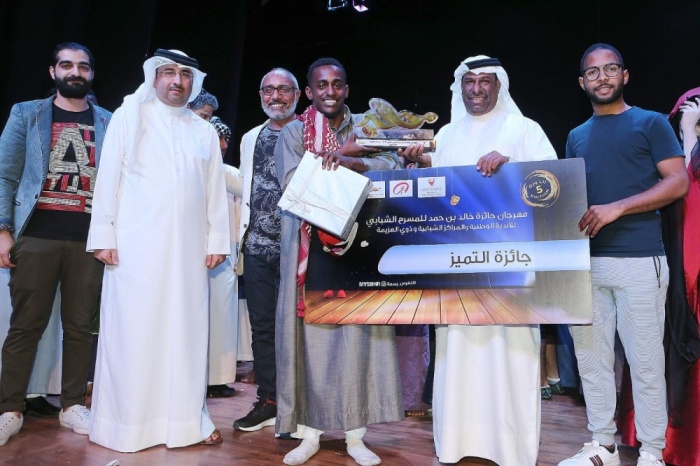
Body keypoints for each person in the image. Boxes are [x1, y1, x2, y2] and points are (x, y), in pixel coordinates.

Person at [402, 54, 558, 466]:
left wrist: (511, 167)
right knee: (458, 352)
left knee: (511, 352)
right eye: (469, 81)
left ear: (498, 85)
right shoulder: (447, 135)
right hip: (457, 267)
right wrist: (418, 164)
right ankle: (457, 443)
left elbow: (554, 183)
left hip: (511, 268)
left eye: (485, 81)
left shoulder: (524, 129)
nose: (476, 89)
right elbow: (438, 193)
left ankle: (511, 448)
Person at [86, 48, 230, 452]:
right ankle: (127, 425)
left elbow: (214, 189)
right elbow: (108, 176)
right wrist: (103, 235)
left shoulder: (203, 130)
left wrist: (218, 239)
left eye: (185, 74)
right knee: (135, 332)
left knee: (185, 335)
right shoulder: (130, 116)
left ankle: (185, 422)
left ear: (193, 83)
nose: (176, 81)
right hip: (135, 249)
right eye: (168, 72)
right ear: (154, 76)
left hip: (189, 253)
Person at [560, 43, 688, 466]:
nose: (602, 78)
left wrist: (617, 208)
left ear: (625, 75)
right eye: (593, 72)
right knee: (591, 361)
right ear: (582, 83)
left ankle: (651, 452)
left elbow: (678, 182)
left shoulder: (651, 123)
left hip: (640, 259)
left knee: (645, 363)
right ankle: (603, 445)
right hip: (586, 264)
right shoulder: (576, 135)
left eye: (610, 69)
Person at [275, 57, 402, 466]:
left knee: (356, 339)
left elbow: (391, 165)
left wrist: (351, 161)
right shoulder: (293, 132)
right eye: (321, 85)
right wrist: (342, 155)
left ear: (346, 89)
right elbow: (294, 185)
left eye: (337, 84)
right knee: (308, 342)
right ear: (309, 92)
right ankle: (308, 434)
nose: (329, 91)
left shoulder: (366, 128)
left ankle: (355, 435)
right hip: (307, 251)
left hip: (360, 249)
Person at [0, 42, 111, 447]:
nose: (75, 72)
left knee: (80, 328)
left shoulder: (109, 121)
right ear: (53, 71)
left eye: (83, 66)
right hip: (36, 236)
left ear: (91, 74)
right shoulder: (27, 113)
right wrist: (2, 229)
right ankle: (9, 409)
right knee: (25, 326)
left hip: (88, 241)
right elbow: (5, 174)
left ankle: (71, 406)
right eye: (66, 65)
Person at [618, 89, 700, 466]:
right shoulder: (665, 147)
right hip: (667, 256)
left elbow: (690, 182)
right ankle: (654, 435)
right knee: (655, 339)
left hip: (692, 263)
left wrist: (691, 135)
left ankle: (687, 443)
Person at [231, 68, 301, 432]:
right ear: (260, 95)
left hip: (298, 247)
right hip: (257, 247)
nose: (276, 96)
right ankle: (269, 400)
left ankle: (300, 405)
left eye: (284, 90)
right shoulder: (250, 137)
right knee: (261, 328)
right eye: (269, 90)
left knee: (299, 328)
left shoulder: (308, 131)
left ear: (297, 95)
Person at [206, 115, 238, 399]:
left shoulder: (228, 173)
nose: (224, 144)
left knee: (221, 318)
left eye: (226, 138)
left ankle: (217, 379)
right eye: (219, 138)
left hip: (225, 257)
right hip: (196, 254)